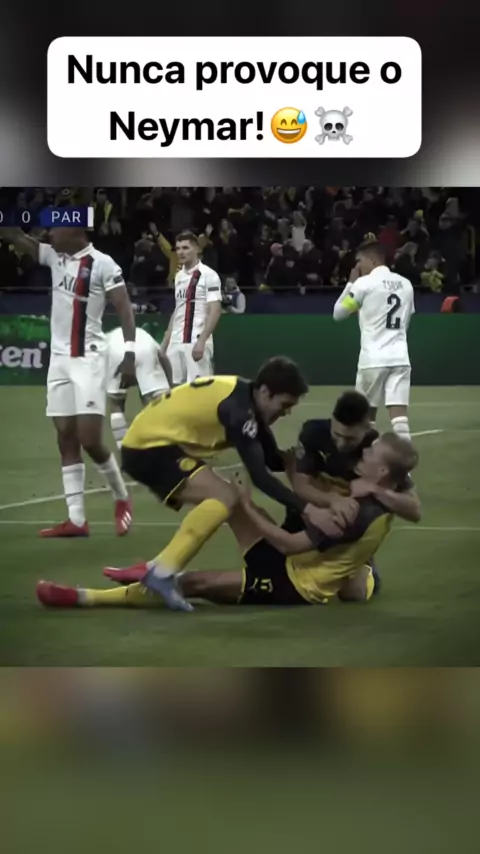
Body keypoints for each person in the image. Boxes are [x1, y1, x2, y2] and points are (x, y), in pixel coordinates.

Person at [36, 434, 418, 610]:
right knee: (224, 495)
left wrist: (249, 504)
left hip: (295, 585)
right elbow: (411, 504)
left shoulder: (359, 511)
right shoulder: (382, 492)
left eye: (371, 452)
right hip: (298, 561)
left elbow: (289, 544)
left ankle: (84, 598)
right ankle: (159, 564)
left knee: (196, 583)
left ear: (383, 471)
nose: (364, 452)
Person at [101, 358, 334, 612]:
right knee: (225, 496)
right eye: (284, 405)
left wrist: (308, 460)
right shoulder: (240, 412)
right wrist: (307, 508)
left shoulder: (247, 401)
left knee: (226, 497)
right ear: (265, 392)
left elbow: (272, 459)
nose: (286, 412)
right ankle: (161, 571)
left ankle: (159, 569)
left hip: (153, 443)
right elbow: (260, 477)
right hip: (147, 447)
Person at [0, 225, 137, 538]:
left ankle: (121, 497)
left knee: (89, 439)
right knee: (65, 436)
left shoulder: (103, 263)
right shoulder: (54, 256)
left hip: (88, 359)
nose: (50, 234)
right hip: (59, 361)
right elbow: (17, 237)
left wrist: (129, 354)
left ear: (76, 232)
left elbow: (124, 307)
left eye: (56, 228)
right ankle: (76, 519)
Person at [283, 390, 422, 596]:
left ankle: (363, 565)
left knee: (354, 594)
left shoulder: (376, 451)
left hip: (347, 531)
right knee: (275, 564)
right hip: (307, 516)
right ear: (332, 421)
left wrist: (376, 489)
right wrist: (334, 500)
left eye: (350, 439)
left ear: (366, 429)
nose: (341, 444)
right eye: (337, 435)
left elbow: (414, 510)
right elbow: (301, 486)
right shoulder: (313, 433)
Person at [333, 241, 415, 440]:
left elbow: (339, 313)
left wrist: (350, 284)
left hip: (373, 359)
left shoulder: (364, 284)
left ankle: (366, 456)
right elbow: (406, 321)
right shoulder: (405, 284)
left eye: (359, 261)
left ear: (372, 260)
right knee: (400, 420)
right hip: (399, 357)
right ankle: (406, 459)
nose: (358, 266)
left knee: (365, 419)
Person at [160, 231, 222, 385]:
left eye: (185, 248)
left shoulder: (209, 275)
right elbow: (178, 310)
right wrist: (165, 344)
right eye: (178, 248)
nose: (181, 252)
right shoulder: (178, 277)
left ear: (197, 249)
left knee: (199, 390)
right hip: (176, 342)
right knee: (174, 389)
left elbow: (215, 310)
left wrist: (202, 341)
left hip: (196, 340)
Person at [106, 326, 173, 448]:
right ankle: (161, 444)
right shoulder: (145, 336)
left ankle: (123, 448)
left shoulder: (107, 339)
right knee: (156, 402)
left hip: (116, 353)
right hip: (145, 351)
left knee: (116, 404)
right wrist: (169, 384)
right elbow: (163, 357)